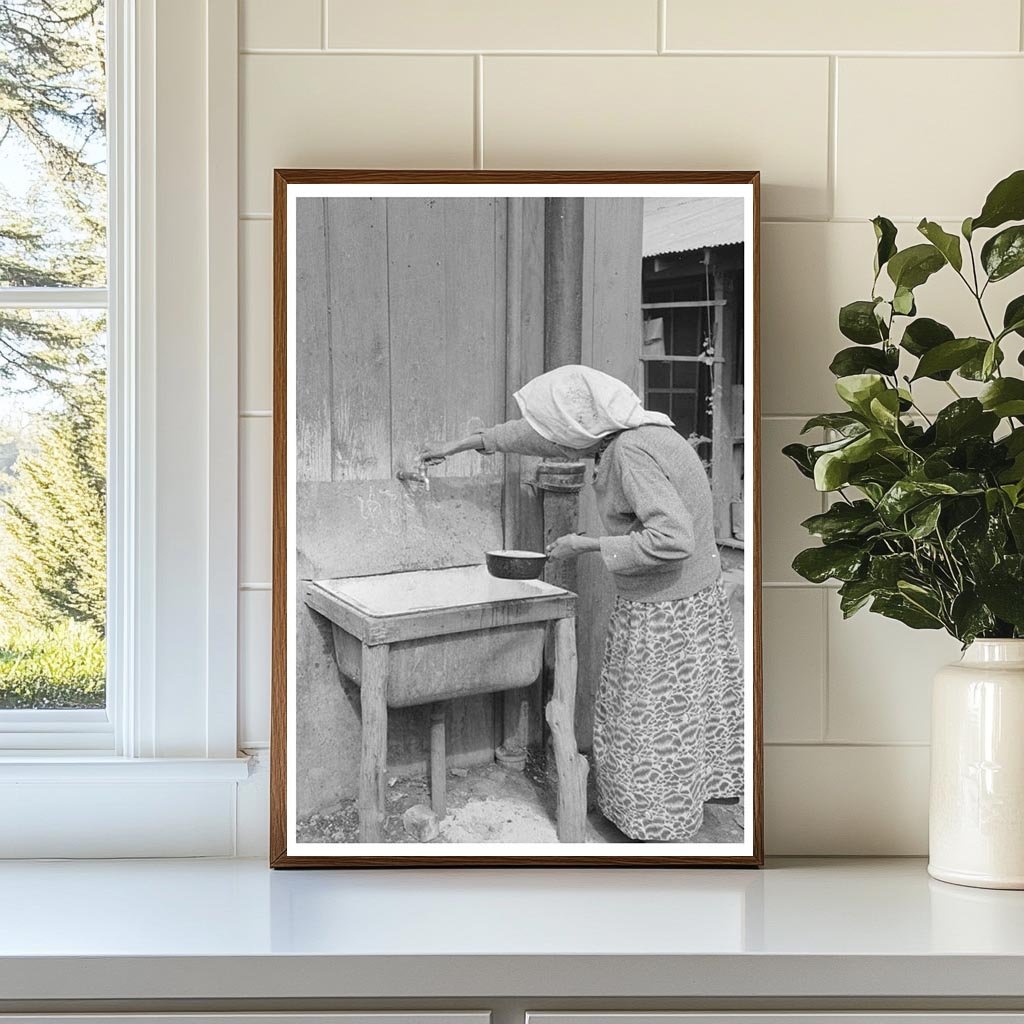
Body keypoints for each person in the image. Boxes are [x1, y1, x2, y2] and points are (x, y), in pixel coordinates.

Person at [419, 364, 743, 842]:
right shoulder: (638, 427)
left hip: (666, 610)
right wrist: (470, 444)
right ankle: (672, 809)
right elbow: (546, 440)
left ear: (580, 427)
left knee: (648, 721)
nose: (556, 439)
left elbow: (674, 539)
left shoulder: (630, 454)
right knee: (682, 717)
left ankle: (653, 825)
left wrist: (586, 545)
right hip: (693, 598)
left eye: (559, 428)